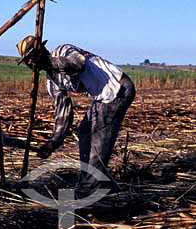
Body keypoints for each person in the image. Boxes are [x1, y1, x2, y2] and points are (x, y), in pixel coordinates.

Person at [16, 35, 135, 196]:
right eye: (26, 60)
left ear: (41, 51)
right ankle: (108, 188)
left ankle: (88, 190)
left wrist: (49, 62)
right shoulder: (52, 82)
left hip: (118, 89)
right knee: (85, 131)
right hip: (103, 97)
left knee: (98, 141)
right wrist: (54, 142)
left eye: (31, 57)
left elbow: (78, 64)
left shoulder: (63, 51)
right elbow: (63, 111)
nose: (30, 62)